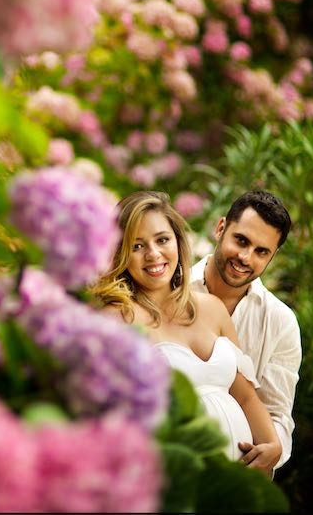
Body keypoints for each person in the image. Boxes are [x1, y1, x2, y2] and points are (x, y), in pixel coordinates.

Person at [92, 191, 282, 476]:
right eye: (137, 245)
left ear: (178, 243)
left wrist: (272, 445)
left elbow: (245, 397)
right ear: (121, 253)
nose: (154, 254)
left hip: (238, 481)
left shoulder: (212, 308)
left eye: (162, 240)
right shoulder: (116, 320)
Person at [190, 189, 300, 473]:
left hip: (234, 476)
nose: (245, 257)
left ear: (273, 255)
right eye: (241, 241)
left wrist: (268, 454)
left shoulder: (280, 322)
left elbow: (278, 414)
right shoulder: (172, 291)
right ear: (220, 227)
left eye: (261, 251)